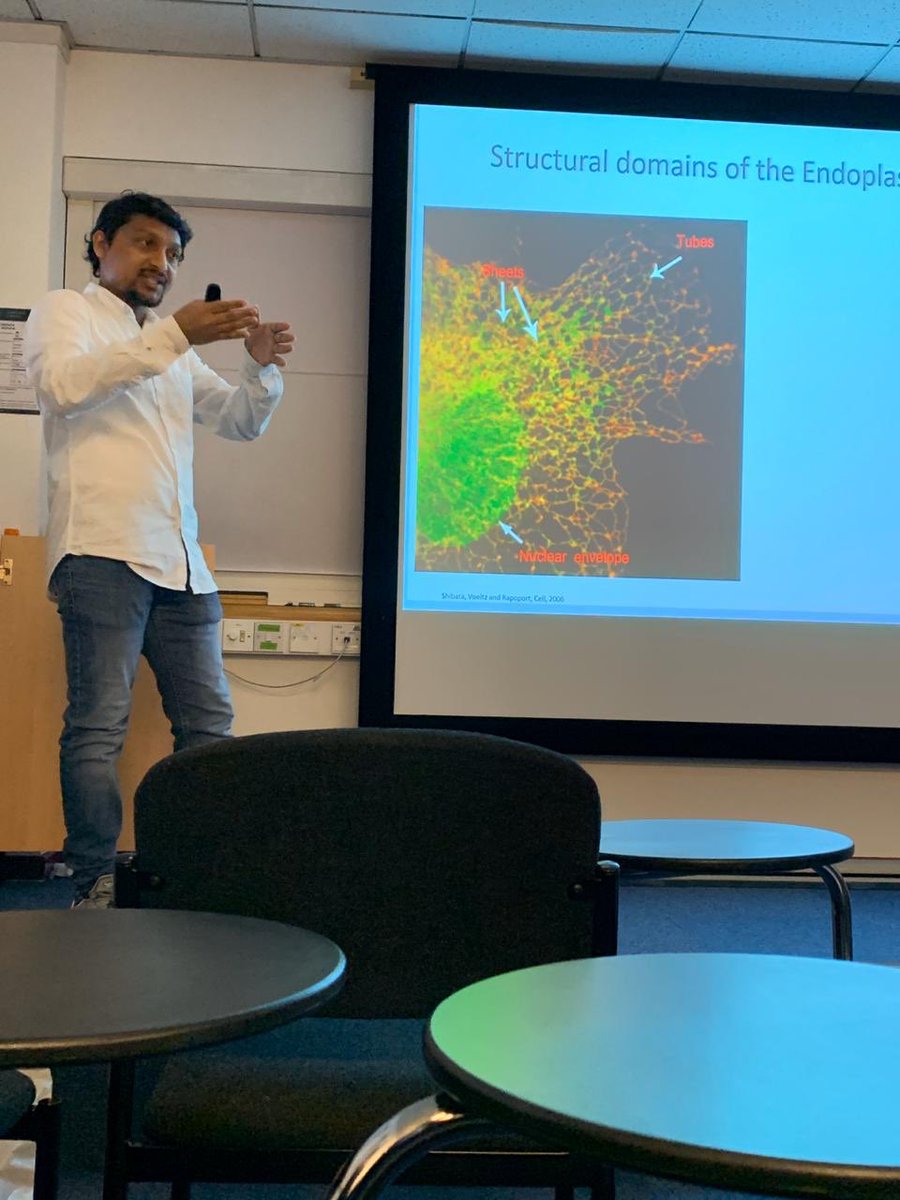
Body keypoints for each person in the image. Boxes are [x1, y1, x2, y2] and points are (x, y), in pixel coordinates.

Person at [24, 191, 295, 909]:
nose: (162, 263)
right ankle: (93, 880)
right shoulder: (65, 312)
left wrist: (259, 369)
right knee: (98, 728)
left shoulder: (170, 348)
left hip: (182, 565)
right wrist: (175, 334)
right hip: (100, 553)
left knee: (209, 728)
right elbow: (63, 386)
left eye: (173, 254)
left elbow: (237, 421)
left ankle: (200, 877)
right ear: (100, 243)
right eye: (146, 244)